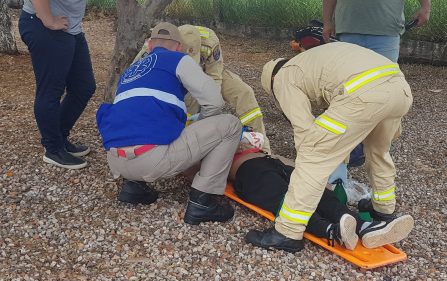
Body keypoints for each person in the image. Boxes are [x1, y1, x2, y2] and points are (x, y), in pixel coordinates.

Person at [246, 42, 413, 252]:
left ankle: (287, 232)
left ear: (271, 80)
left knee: (312, 157)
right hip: (400, 89)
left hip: (364, 93)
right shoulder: (311, 62)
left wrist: (319, 160)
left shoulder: (282, 77)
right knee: (378, 152)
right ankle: (383, 212)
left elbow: (304, 129)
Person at [96, 22, 242, 225]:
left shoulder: (132, 70)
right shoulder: (177, 59)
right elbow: (214, 101)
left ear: (149, 46)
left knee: (138, 119)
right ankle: (203, 201)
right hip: (151, 160)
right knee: (231, 125)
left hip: (116, 161)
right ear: (179, 47)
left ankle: (134, 187)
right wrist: (203, 130)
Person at [229, 141, 414, 251]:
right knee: (287, 199)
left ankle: (362, 226)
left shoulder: (241, 139)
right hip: (248, 170)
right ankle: (333, 230)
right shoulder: (216, 146)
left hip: (274, 163)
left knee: (314, 191)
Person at [134, 25, 271, 153]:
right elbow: (136, 75)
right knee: (190, 104)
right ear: (176, 46)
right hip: (174, 74)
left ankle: (262, 147)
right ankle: (187, 148)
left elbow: (215, 76)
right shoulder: (155, 45)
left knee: (244, 92)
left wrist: (212, 105)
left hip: (207, 71)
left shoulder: (210, 40)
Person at [18, 0, 96, 169]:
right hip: (42, 25)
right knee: (51, 90)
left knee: (84, 86)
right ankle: (53, 149)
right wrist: (48, 19)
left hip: (70, 28)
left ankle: (58, 138)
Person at [322, 0, 431, 62]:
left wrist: (425, 7)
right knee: (349, 81)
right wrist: (327, 21)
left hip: (386, 30)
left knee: (384, 81)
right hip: (349, 29)